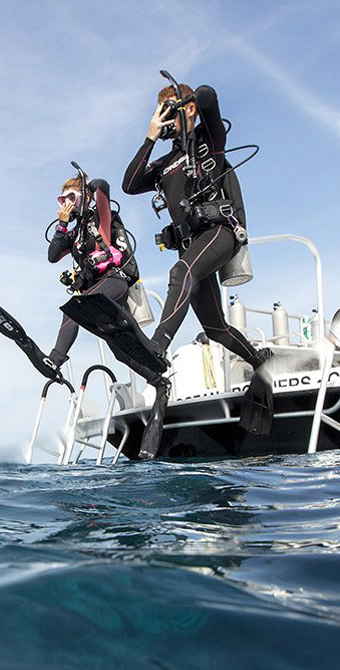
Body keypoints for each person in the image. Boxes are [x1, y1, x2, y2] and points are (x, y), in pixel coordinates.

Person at [122, 81, 273, 454]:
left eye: (173, 109)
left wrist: (188, 104)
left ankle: (157, 347)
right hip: (191, 247)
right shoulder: (164, 161)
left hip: (220, 233)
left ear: (186, 109)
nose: (169, 117)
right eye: (164, 111)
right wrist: (151, 136)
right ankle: (260, 361)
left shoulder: (210, 140)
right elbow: (128, 184)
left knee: (179, 274)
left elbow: (208, 96)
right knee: (216, 327)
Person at [43, 174, 167, 389]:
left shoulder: (99, 220)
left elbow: (102, 186)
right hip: (93, 292)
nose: (67, 204)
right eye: (63, 200)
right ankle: (159, 382)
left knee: (74, 307)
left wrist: (86, 188)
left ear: (85, 197)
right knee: (119, 351)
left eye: (71, 198)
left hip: (113, 282)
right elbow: (53, 255)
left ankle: (55, 359)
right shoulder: (74, 234)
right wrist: (62, 225)